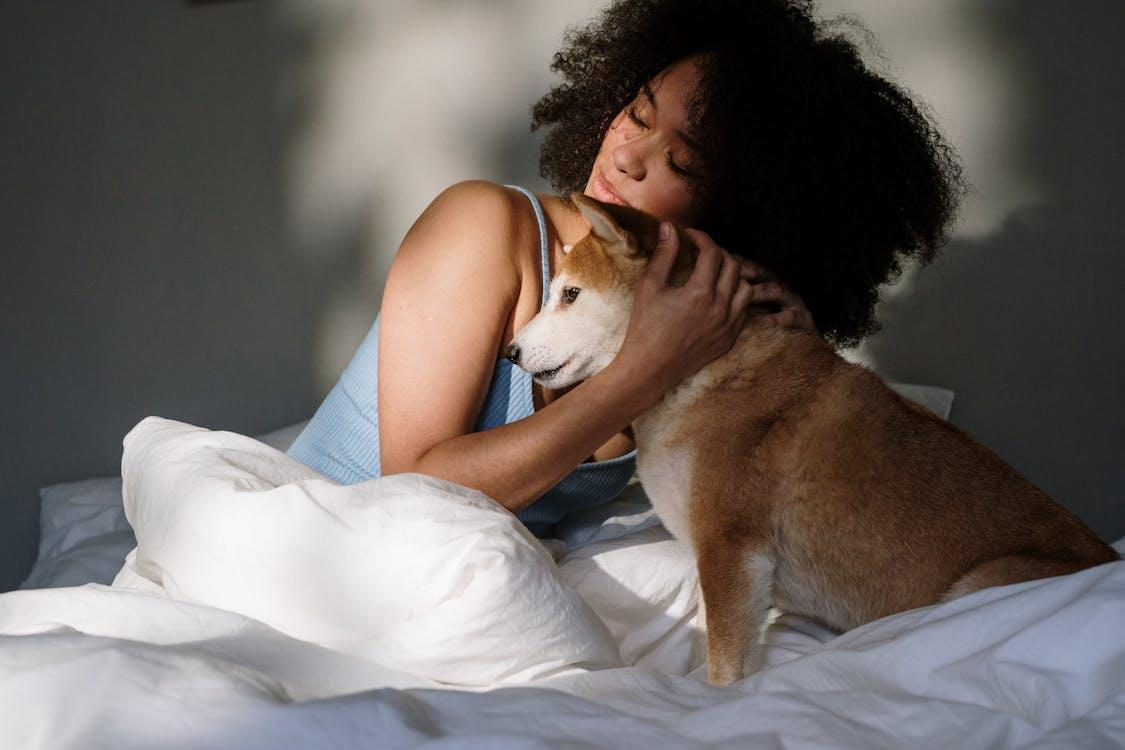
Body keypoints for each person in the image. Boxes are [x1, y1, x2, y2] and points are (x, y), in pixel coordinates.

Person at [287, 0, 964, 535]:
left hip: (456, 596)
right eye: (635, 113)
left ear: (744, 211)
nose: (626, 156)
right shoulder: (483, 227)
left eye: (681, 162)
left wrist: (789, 363)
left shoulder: (703, 323)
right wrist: (648, 368)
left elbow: (780, 512)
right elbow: (413, 495)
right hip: (326, 553)